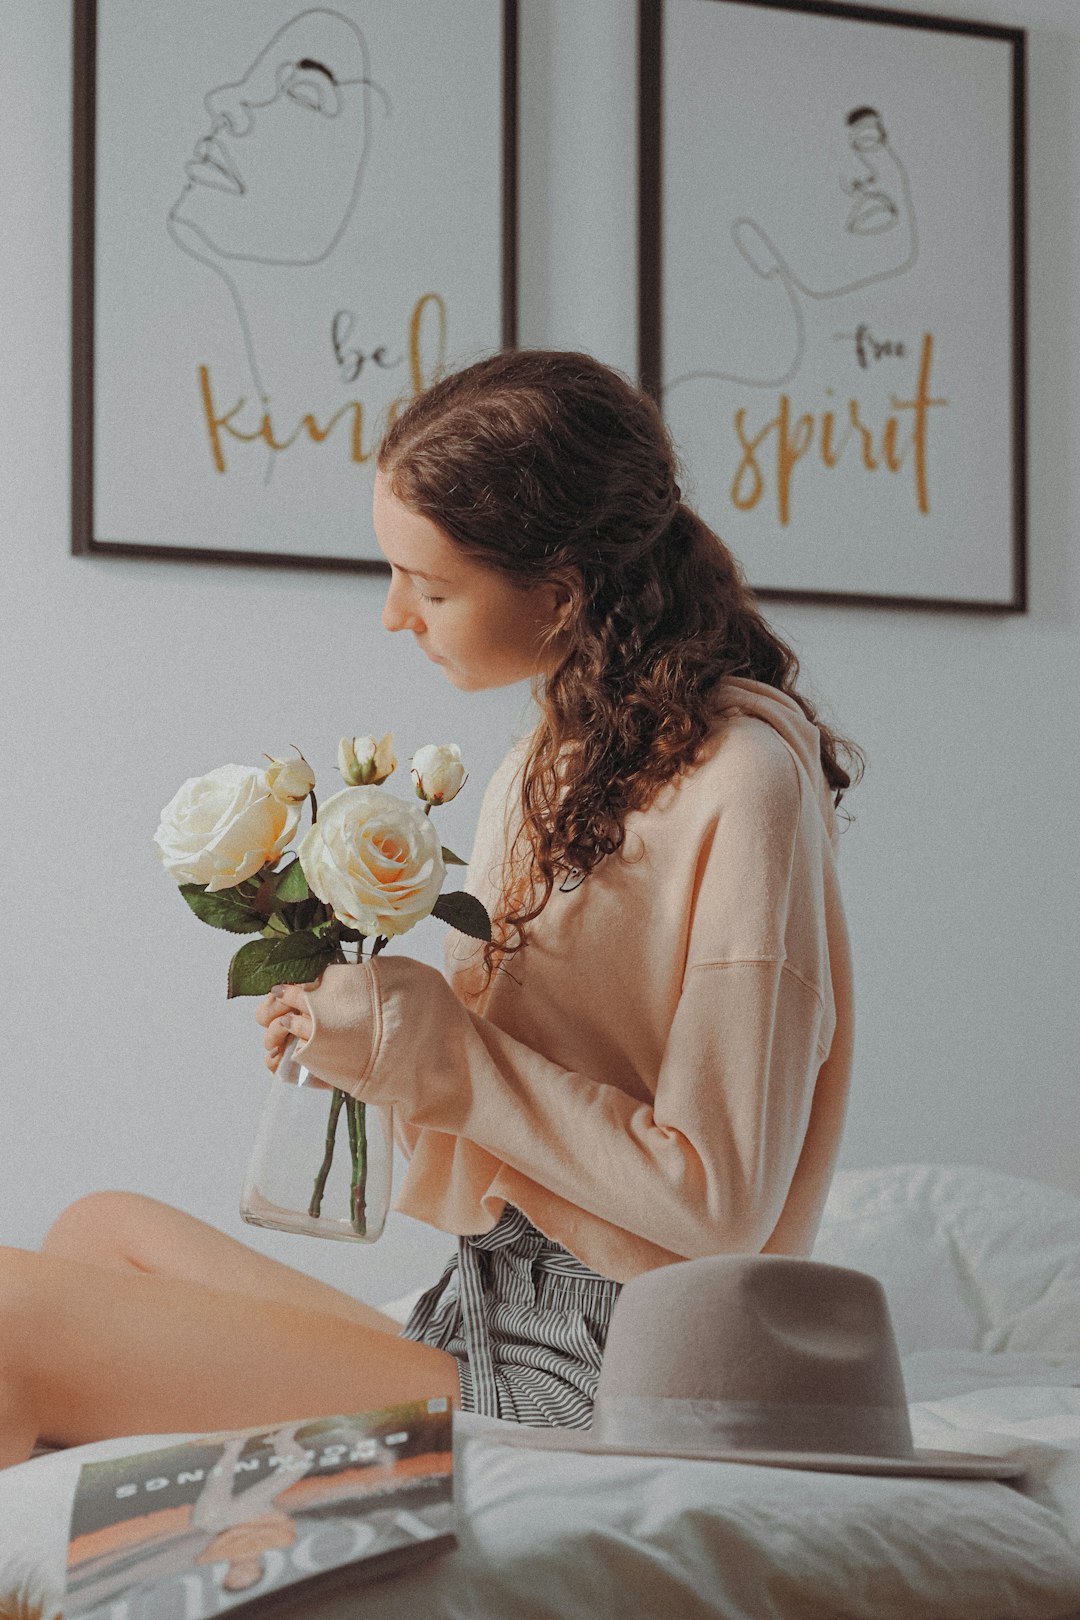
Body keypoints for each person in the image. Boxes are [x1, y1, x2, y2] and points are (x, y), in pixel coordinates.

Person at [0, 349, 860, 1467]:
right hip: (486, 1318)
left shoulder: (743, 782)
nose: (395, 615)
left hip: (614, 1377)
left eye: (433, 585)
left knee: (14, 1320)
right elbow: (502, 1129)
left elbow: (718, 1203)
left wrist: (440, 1055)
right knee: (100, 1233)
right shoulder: (545, 764)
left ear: (561, 592)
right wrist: (372, 1051)